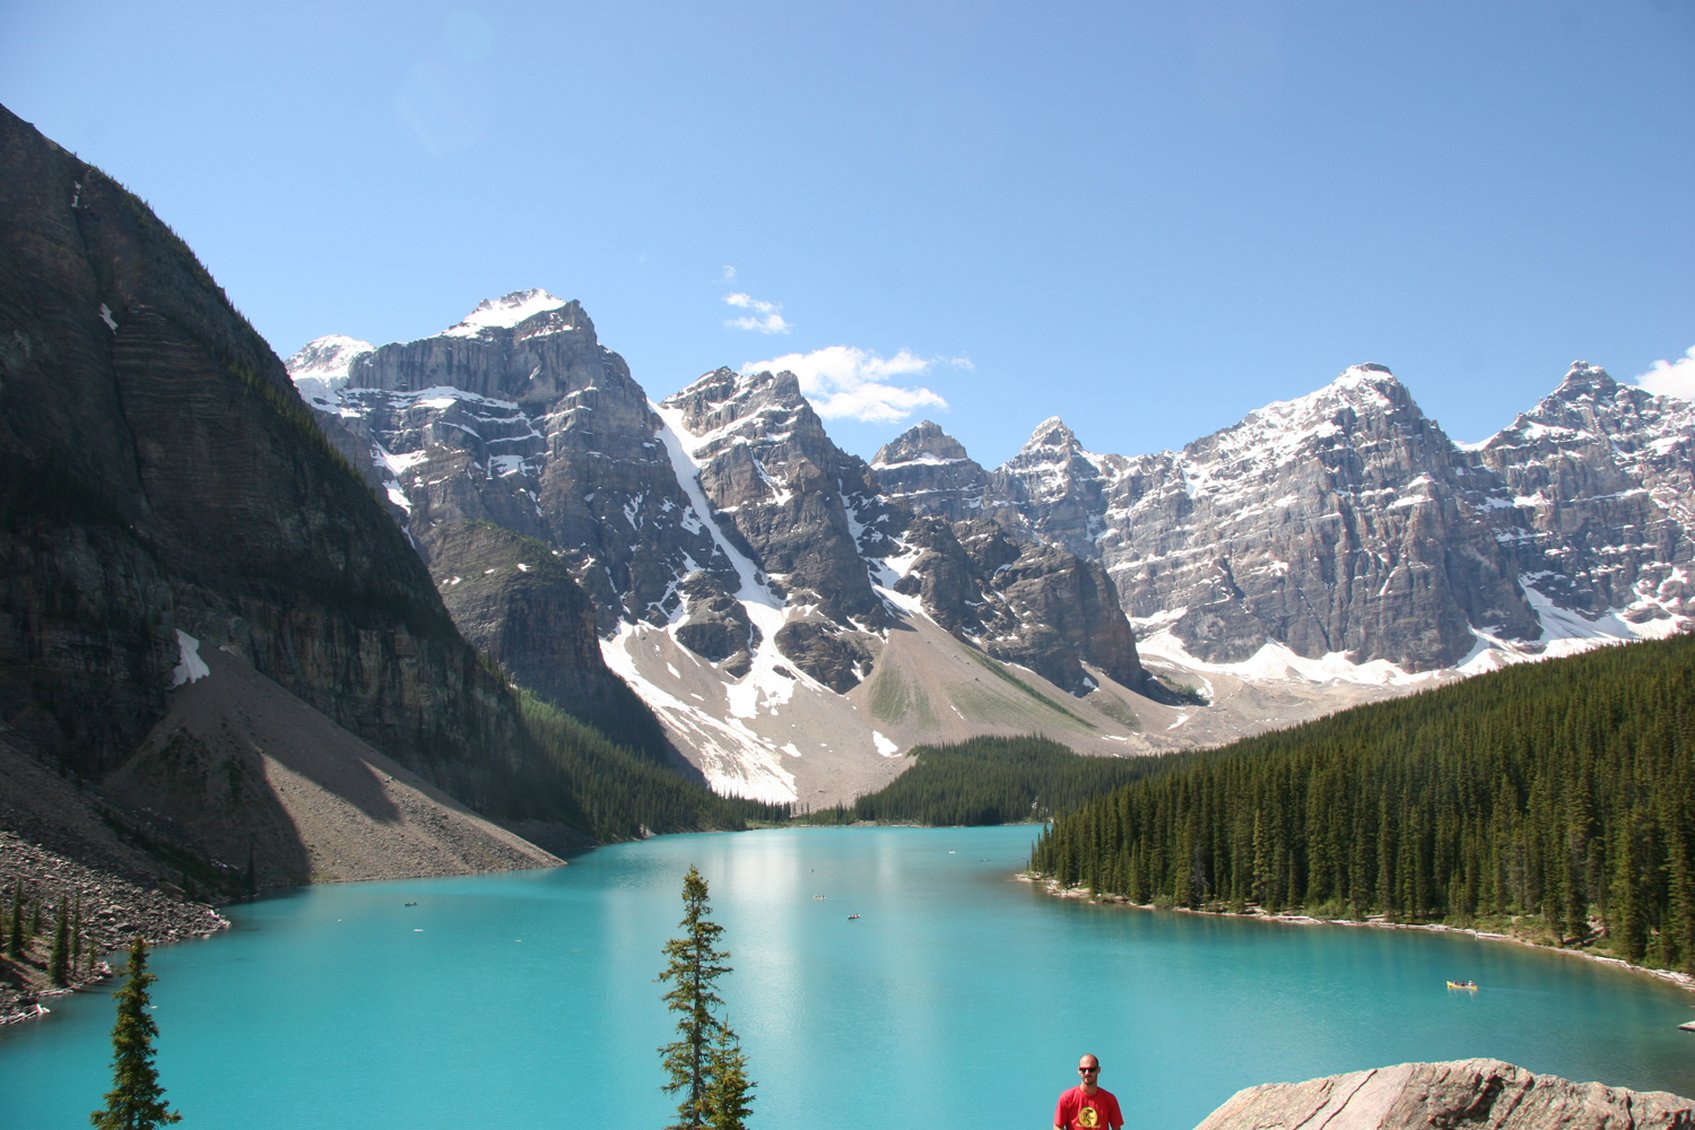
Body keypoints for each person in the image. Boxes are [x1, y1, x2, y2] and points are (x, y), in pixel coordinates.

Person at [1053, 1053, 1124, 1130]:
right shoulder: (1066, 1098)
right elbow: (1058, 1126)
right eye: (1083, 1070)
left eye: (1091, 1070)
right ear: (1078, 1071)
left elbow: (1116, 1127)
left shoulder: (1110, 1099)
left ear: (1098, 1070)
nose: (1087, 1073)